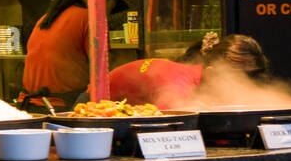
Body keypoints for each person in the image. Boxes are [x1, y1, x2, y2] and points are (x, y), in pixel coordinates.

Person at [20, 0, 129, 110]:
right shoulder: (90, 18)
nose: (108, 13)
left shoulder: (46, 18)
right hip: (61, 107)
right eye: (112, 7)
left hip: (30, 105)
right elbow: (101, 71)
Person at [108, 32, 269, 108]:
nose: (247, 88)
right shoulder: (178, 85)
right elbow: (173, 126)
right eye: (242, 80)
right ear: (212, 73)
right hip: (93, 105)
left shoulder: (193, 75)